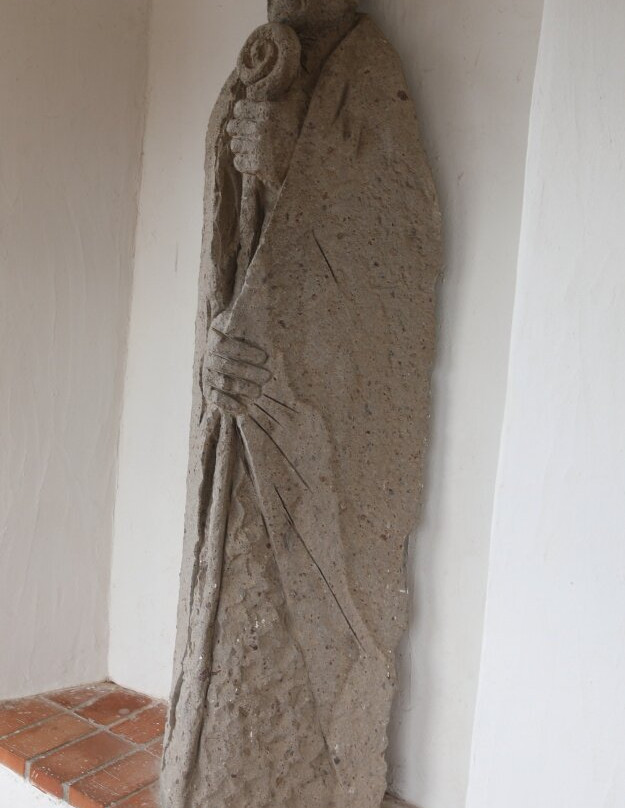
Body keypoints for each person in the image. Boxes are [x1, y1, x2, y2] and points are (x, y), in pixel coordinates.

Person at [162, 2, 442, 807]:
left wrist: (296, 166)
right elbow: (228, 254)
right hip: (235, 415)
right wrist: (217, 354)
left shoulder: (365, 69)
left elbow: (404, 245)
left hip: (302, 419)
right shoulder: (254, 64)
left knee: (278, 634)